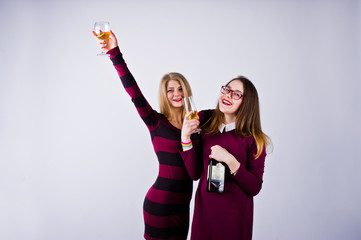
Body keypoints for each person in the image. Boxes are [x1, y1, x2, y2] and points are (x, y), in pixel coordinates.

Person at [93, 31, 207, 240]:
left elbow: (195, 174)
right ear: (164, 94)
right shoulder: (156, 122)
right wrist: (114, 53)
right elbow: (134, 92)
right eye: (170, 90)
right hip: (159, 205)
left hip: (183, 208)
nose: (176, 94)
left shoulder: (196, 124)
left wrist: (188, 136)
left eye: (180, 88)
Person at [180, 76, 271, 240]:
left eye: (236, 94)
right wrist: (185, 139)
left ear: (247, 103)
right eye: (227, 90)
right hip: (205, 215)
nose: (228, 95)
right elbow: (194, 173)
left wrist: (230, 161)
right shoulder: (206, 123)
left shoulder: (254, 139)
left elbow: (255, 187)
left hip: (235, 219)